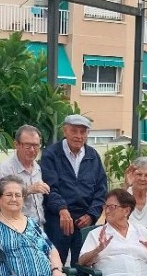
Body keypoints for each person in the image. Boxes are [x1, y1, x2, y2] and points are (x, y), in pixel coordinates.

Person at [40, 113, 107, 265]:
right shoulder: (51, 154)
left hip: (85, 218)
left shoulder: (93, 155)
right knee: (55, 263)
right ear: (65, 131)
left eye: (83, 132)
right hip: (58, 217)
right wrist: (62, 209)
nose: (78, 136)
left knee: (83, 265)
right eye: (74, 131)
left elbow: (101, 189)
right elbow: (49, 187)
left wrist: (92, 214)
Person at [0, 124, 49, 223]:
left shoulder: (37, 167)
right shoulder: (5, 169)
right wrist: (28, 190)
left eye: (36, 145)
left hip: (38, 227)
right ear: (16, 145)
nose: (32, 150)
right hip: (15, 227)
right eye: (27, 145)